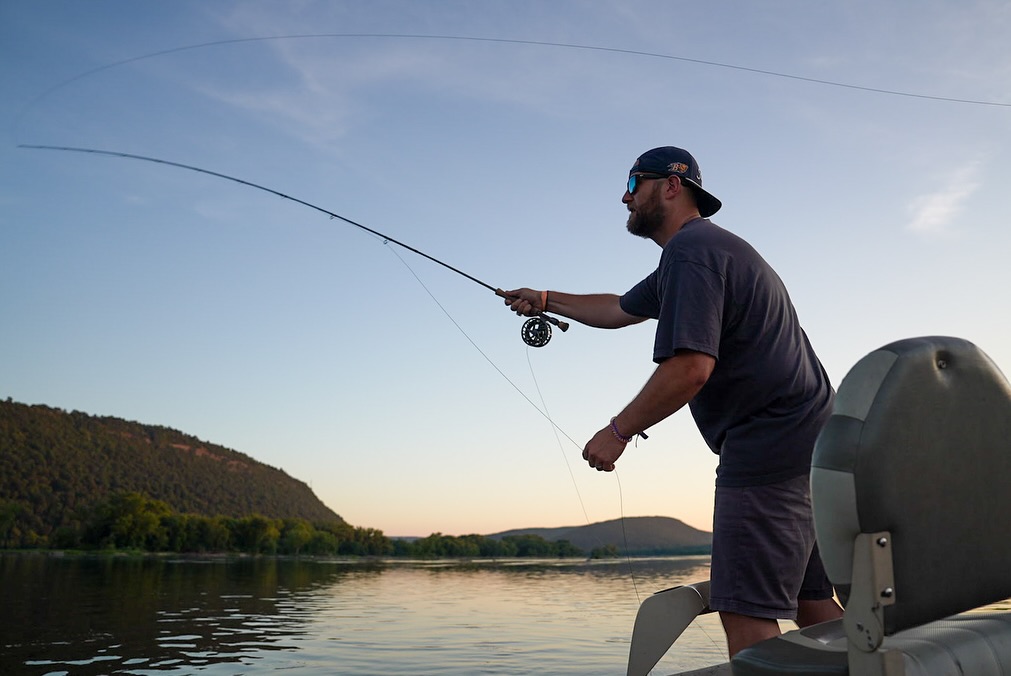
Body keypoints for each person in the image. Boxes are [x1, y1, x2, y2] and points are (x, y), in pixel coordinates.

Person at [504, 146, 843, 658]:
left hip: (767, 445)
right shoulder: (701, 253)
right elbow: (620, 309)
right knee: (812, 601)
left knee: (746, 612)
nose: (625, 196)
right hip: (816, 446)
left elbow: (690, 367)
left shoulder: (691, 253)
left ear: (670, 186)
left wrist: (617, 431)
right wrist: (547, 299)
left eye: (634, 183)